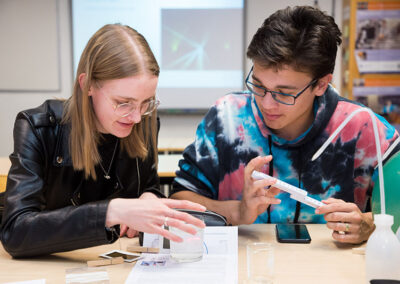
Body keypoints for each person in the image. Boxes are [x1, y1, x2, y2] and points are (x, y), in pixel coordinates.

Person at [170, 6, 400, 244]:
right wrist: (239, 210)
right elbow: (181, 199)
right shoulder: (227, 117)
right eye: (258, 85)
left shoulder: (362, 127)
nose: (267, 104)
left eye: (284, 93)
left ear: (321, 85)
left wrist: (370, 224)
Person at [0, 24, 205, 258]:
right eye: (123, 102)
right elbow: (15, 232)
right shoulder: (38, 128)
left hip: (117, 265)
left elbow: (148, 185)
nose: (137, 116)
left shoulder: (145, 123)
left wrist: (149, 198)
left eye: (147, 102)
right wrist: (113, 211)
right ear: (87, 85)